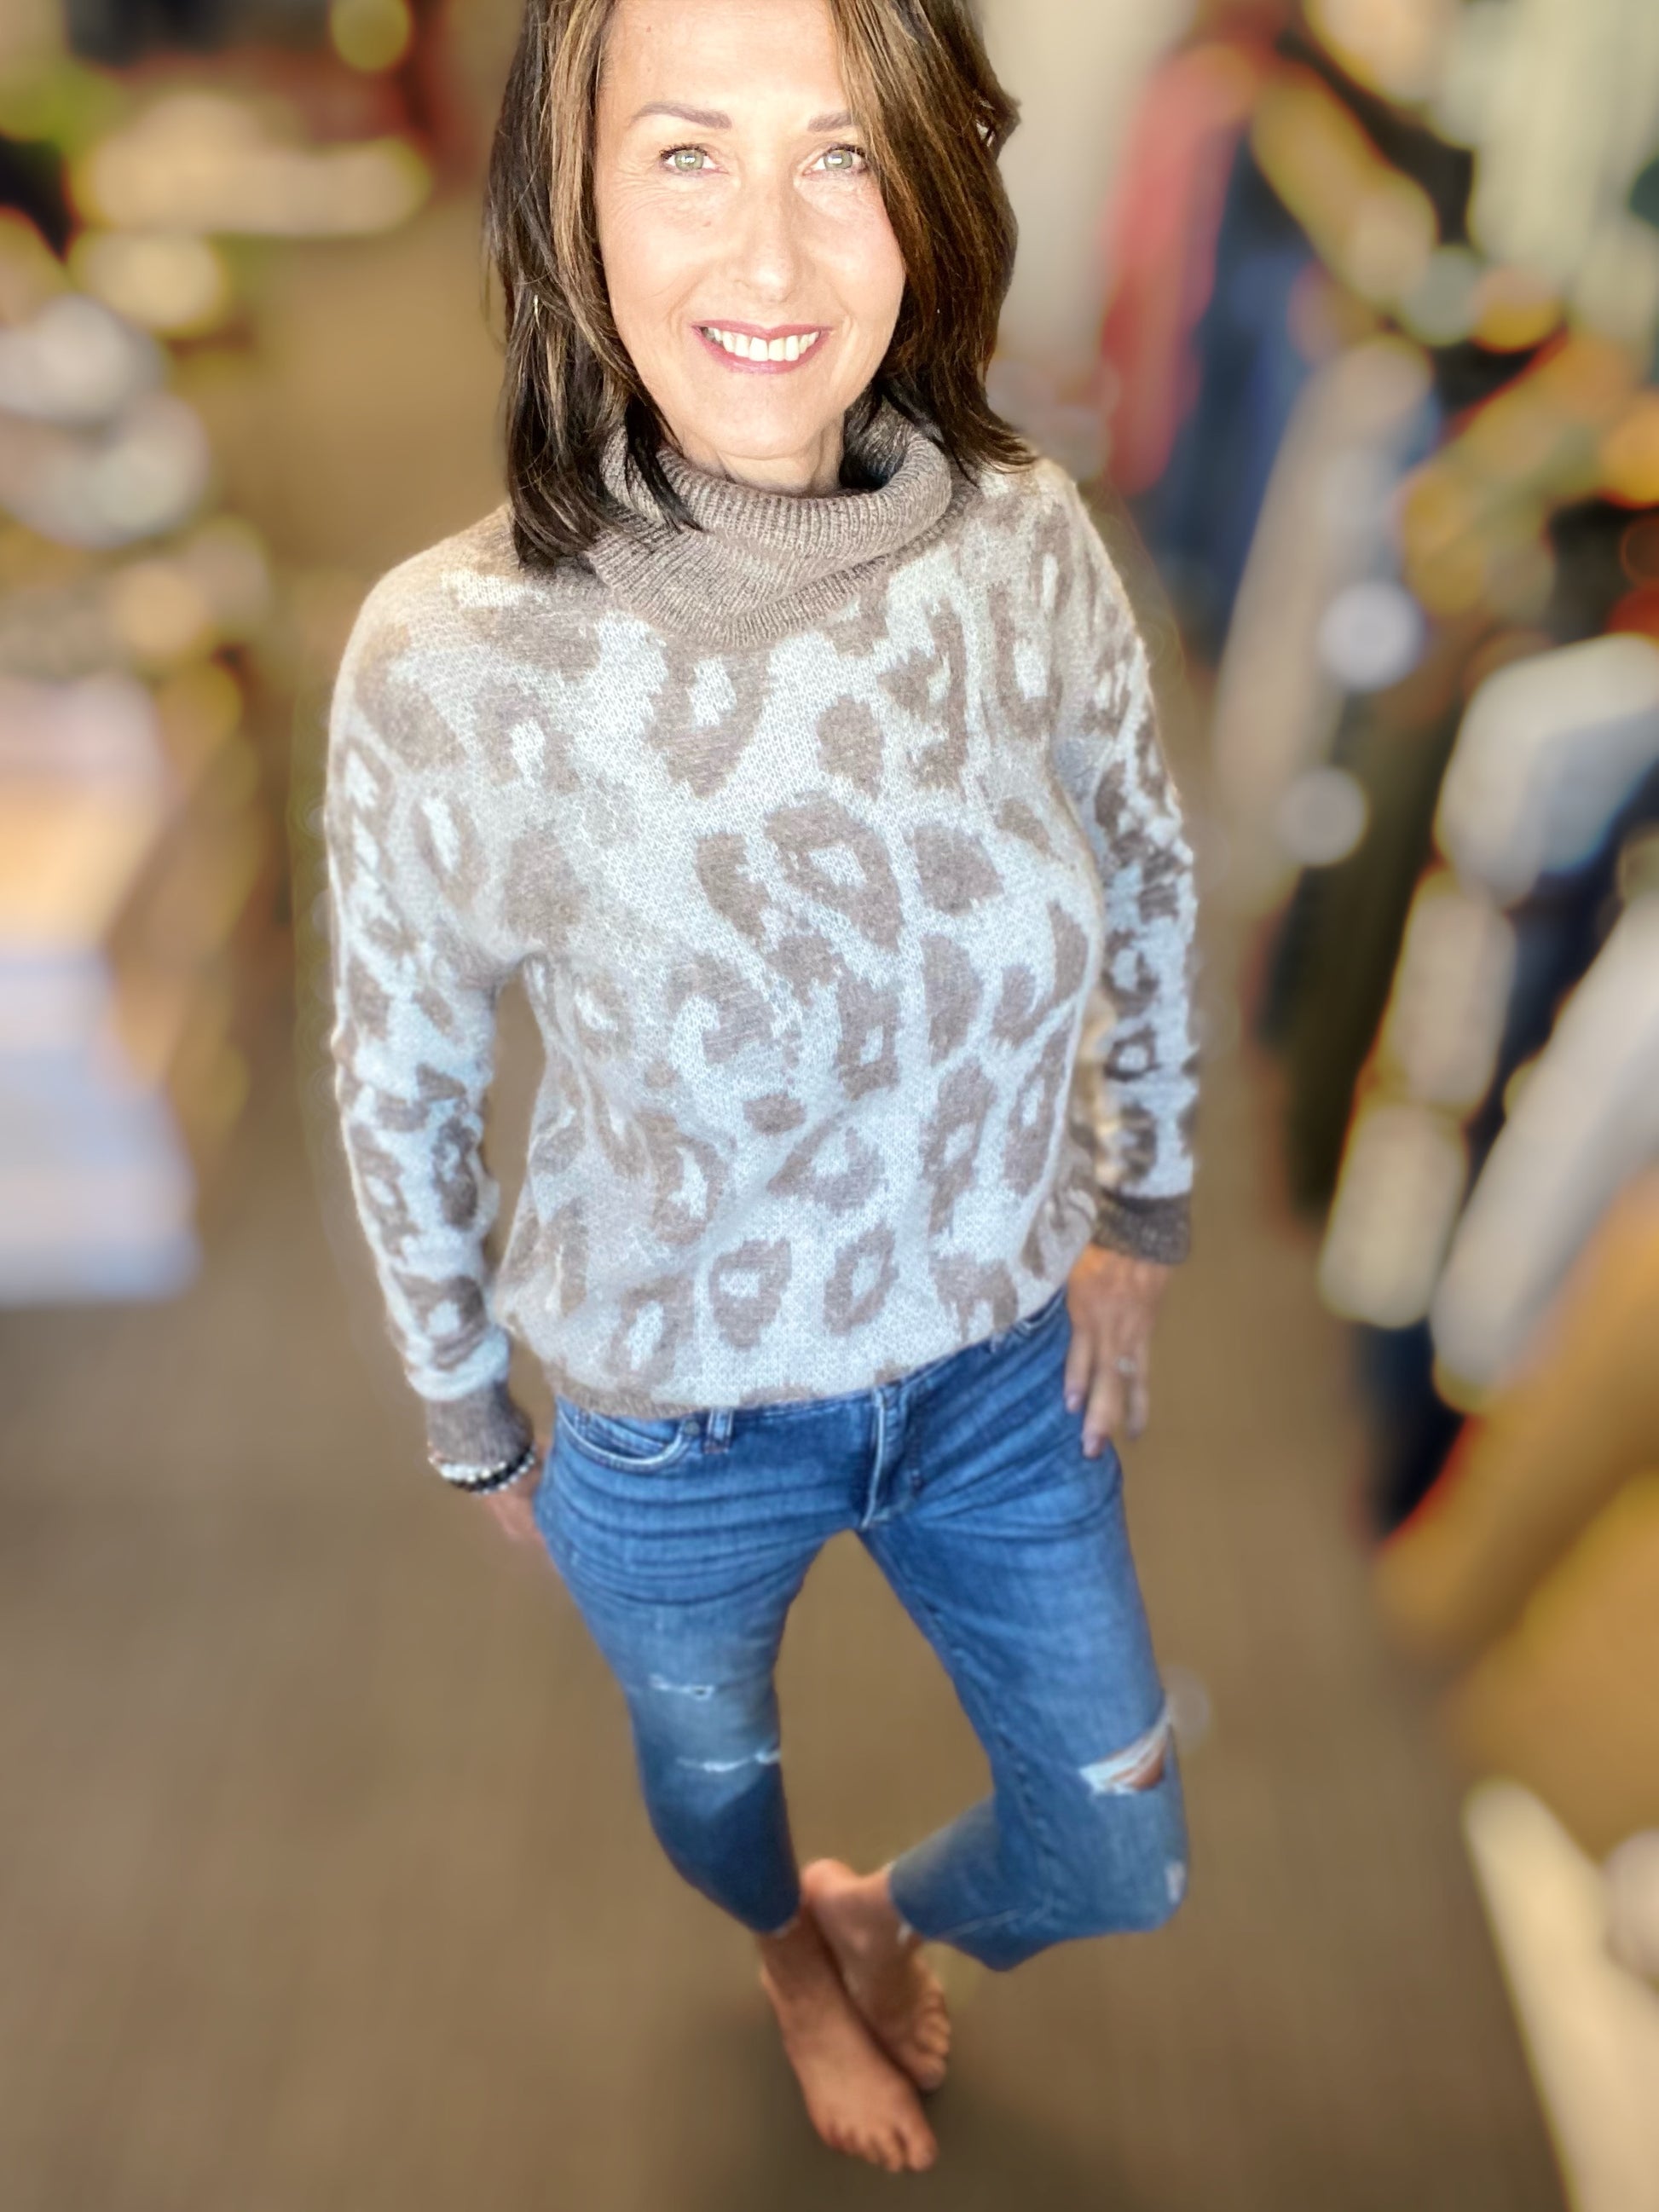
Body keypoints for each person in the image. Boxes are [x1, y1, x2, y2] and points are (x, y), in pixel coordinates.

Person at [323, 0, 1200, 2174]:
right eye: (687, 154)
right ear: (571, 196)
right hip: (675, 1413)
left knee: (1118, 1848)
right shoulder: (453, 654)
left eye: (842, 154)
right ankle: (791, 1955)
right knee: (714, 1781)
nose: (774, 255)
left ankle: (874, 1913)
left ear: (932, 185)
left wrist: (1141, 1199)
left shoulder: (1021, 540)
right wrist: (463, 1400)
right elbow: (401, 1063)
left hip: (999, 1361)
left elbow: (1146, 860)